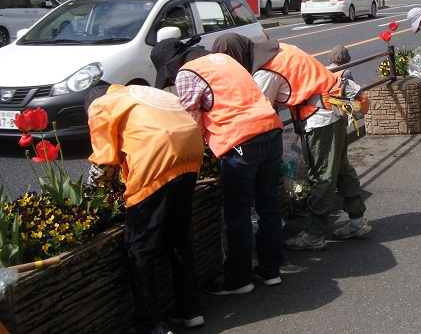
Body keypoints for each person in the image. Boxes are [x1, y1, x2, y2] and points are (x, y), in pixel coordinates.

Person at [211, 34, 371, 251]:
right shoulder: (278, 49)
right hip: (333, 109)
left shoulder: (266, 71)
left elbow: (259, 111)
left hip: (320, 116)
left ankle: (315, 234)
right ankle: (357, 221)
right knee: (340, 167)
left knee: (321, 175)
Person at [85, 84, 206, 334]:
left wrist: (89, 196)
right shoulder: (141, 92)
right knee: (179, 236)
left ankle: (149, 323)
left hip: (156, 158)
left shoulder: (101, 105)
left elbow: (103, 165)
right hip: (191, 151)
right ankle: (190, 309)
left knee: (138, 247)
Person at [175, 52, 285, 295]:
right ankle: (270, 270)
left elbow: (192, 122)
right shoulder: (227, 62)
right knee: (269, 205)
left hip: (240, 143)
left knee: (238, 213)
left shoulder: (187, 73)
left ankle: (239, 278)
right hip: (271, 130)